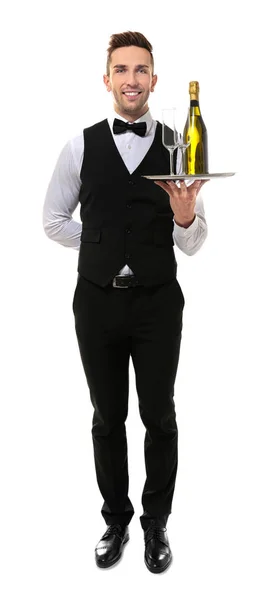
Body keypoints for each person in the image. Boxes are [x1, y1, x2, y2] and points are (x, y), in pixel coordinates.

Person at [42, 30, 208, 574]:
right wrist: (100, 249)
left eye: (141, 70)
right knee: (107, 416)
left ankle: (155, 522)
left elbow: (195, 238)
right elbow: (53, 221)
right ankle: (116, 517)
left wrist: (184, 217)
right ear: (107, 78)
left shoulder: (178, 144)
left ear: (154, 80)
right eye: (122, 69)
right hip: (96, 302)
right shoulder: (79, 145)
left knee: (159, 416)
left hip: (160, 303)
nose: (132, 79)